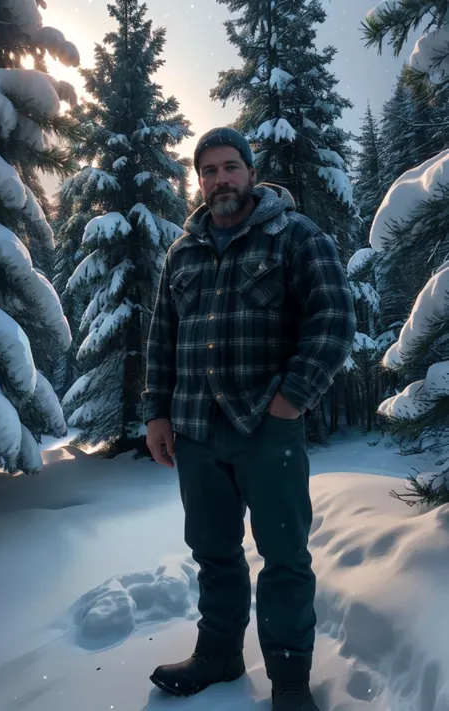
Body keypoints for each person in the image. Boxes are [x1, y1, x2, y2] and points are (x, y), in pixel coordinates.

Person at [142, 127, 356, 711]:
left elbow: (334, 319)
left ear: (251, 172)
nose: (220, 180)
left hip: (268, 429)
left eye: (230, 166)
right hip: (195, 432)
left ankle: (289, 681)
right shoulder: (182, 253)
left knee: (284, 555)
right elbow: (162, 339)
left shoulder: (294, 236)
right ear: (200, 180)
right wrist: (157, 413)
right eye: (208, 171)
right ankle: (219, 654)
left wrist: (292, 399)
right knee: (213, 549)